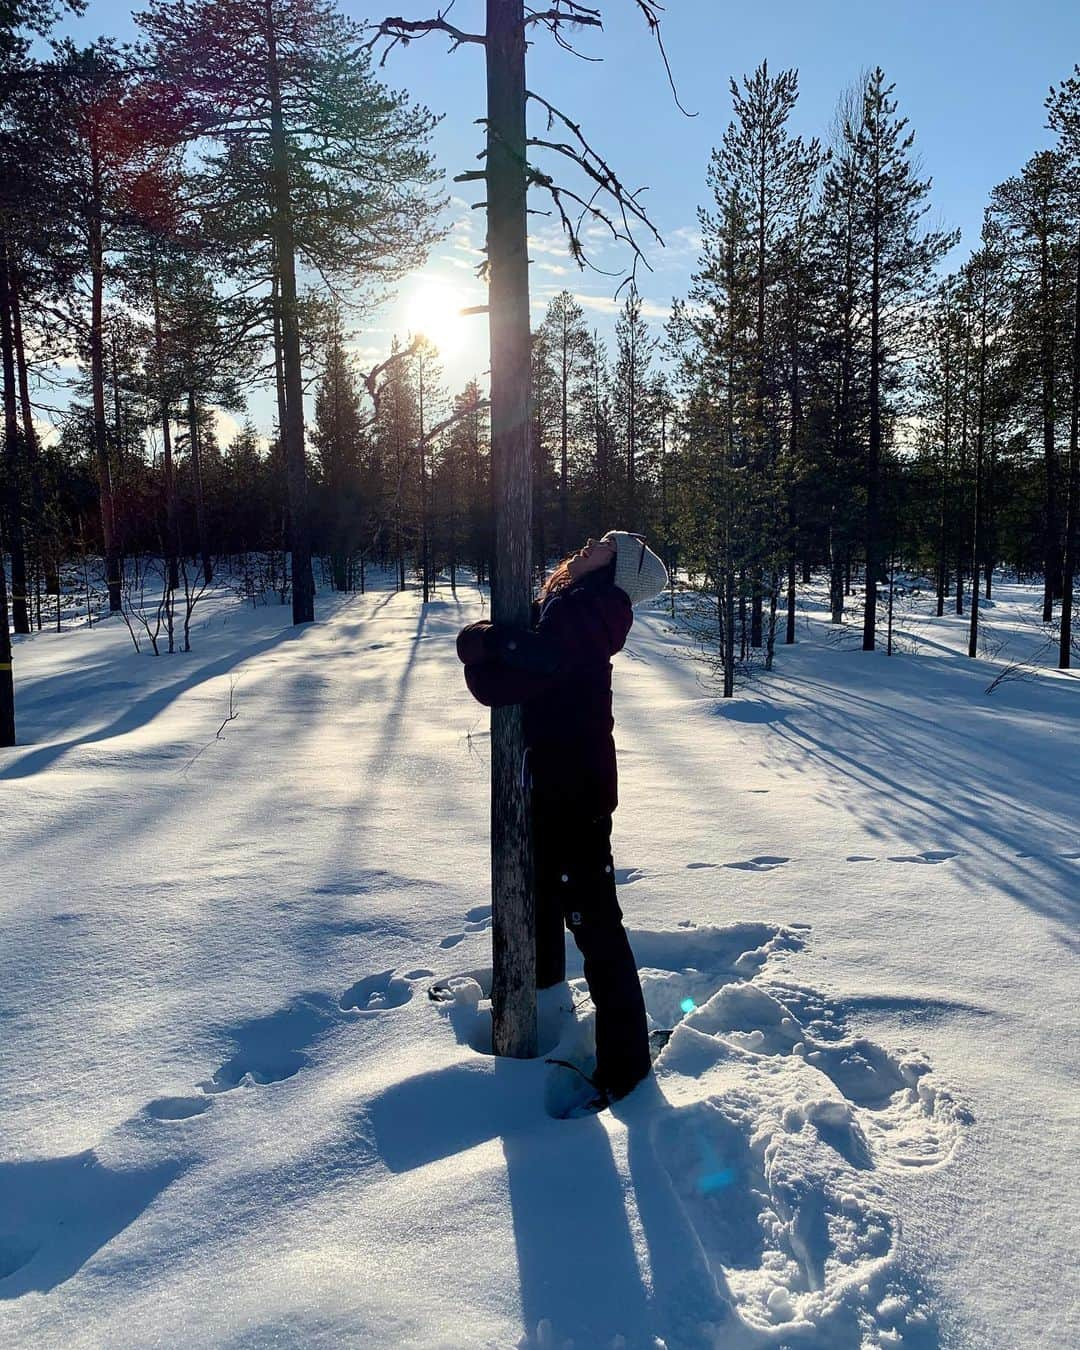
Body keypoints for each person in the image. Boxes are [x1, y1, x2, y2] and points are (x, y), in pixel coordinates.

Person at [455, 530, 670, 1108]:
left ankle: (626, 1070)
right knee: (548, 902)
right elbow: (517, 665)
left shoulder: (589, 610)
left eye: (605, 545)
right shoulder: (577, 607)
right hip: (564, 787)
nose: (588, 545)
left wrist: (476, 644)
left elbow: (513, 675)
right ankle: (550, 1005)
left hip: (574, 794)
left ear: (617, 567)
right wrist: (490, 646)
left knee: (596, 927)